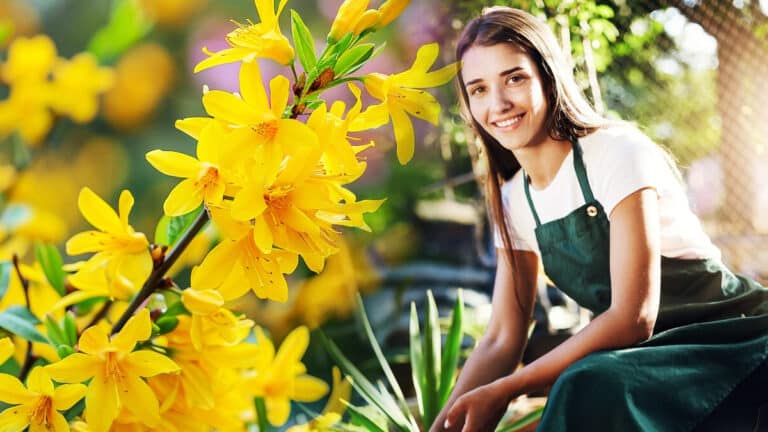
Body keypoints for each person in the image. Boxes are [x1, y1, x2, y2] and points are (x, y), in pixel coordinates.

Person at [431, 6, 768, 432]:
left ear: (547, 77)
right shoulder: (515, 199)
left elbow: (632, 317)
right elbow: (501, 337)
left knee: (588, 382)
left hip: (727, 336)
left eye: (514, 78)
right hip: (644, 357)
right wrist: (445, 421)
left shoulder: (616, 152)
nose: (498, 103)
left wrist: (507, 389)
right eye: (478, 89)